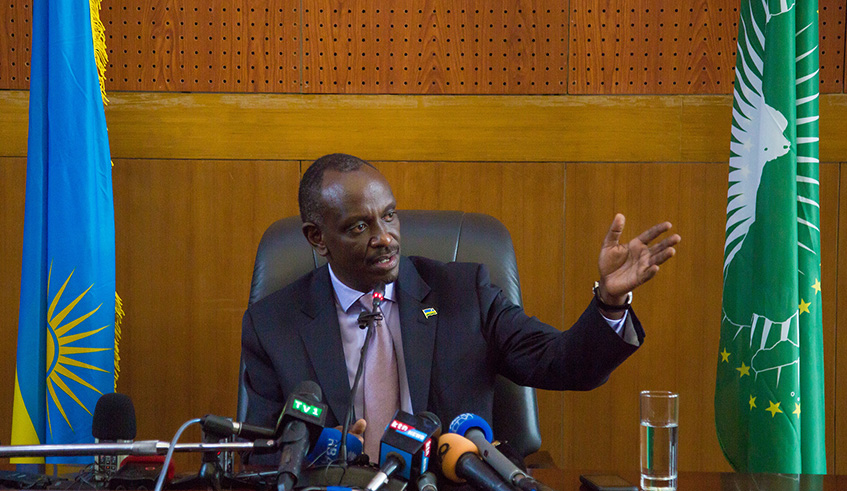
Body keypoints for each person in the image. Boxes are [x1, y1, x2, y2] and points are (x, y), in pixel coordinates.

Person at [241, 153, 681, 460]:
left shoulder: (462, 293)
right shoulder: (273, 324)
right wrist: (328, 455)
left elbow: (565, 364)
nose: (385, 237)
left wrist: (609, 299)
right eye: (359, 226)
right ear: (317, 238)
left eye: (389, 216)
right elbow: (262, 455)